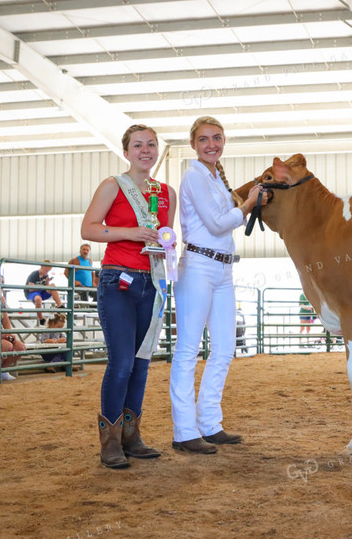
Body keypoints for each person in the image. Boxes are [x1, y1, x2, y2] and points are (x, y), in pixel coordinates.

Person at [169, 115, 267, 455]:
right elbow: (215, 223)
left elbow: (226, 216)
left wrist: (246, 202)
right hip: (197, 265)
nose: (212, 144)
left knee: (224, 348)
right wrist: (249, 205)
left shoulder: (214, 177)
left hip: (222, 270)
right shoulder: (193, 176)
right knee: (187, 350)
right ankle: (184, 431)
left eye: (217, 138)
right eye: (204, 139)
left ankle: (210, 422)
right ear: (194, 144)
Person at [81, 123, 176, 469]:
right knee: (121, 362)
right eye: (138, 145)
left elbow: (166, 234)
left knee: (141, 363)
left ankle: (132, 436)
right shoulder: (112, 186)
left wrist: (168, 243)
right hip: (117, 281)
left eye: (151, 144)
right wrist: (132, 233)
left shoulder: (167, 192)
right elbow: (89, 228)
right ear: (126, 151)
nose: (146, 150)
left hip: (152, 282)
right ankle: (110, 441)